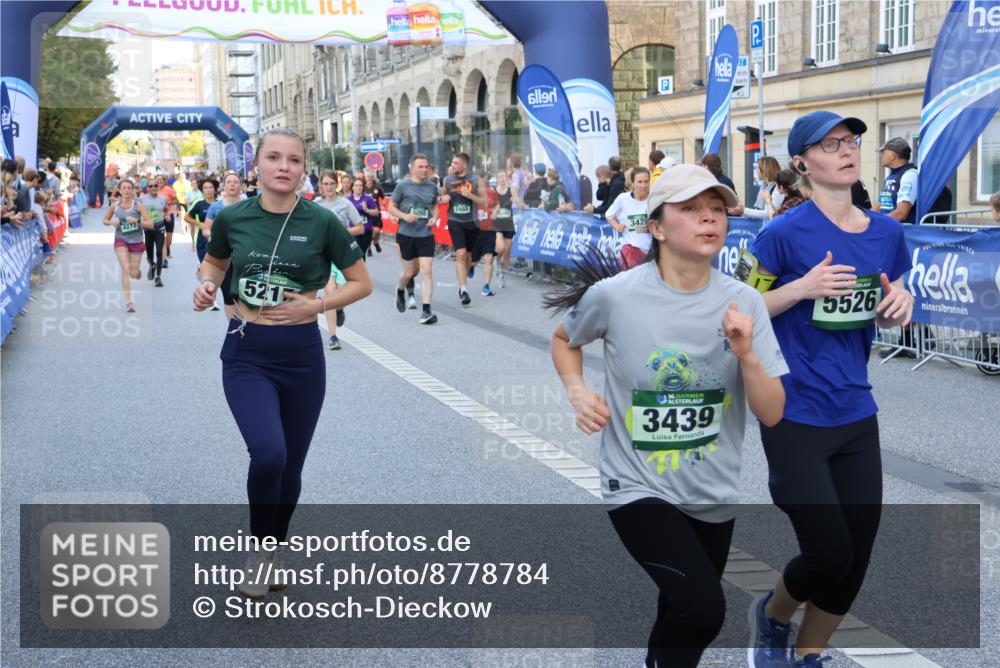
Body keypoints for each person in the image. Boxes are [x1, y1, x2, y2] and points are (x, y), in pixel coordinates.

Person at [547, 164, 787, 668]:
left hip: (712, 489)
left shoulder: (744, 302)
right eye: (691, 208)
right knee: (702, 609)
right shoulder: (616, 294)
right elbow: (565, 339)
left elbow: (772, 413)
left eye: (717, 209)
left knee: (681, 611)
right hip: (637, 484)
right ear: (655, 227)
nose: (709, 218)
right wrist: (577, 390)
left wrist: (747, 355)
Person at [744, 110, 914, 667]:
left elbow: (887, 304)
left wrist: (898, 307)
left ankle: (809, 654)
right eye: (830, 144)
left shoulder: (887, 233)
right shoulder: (783, 233)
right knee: (829, 553)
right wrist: (801, 288)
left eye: (851, 141)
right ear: (802, 163)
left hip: (856, 411)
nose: (846, 151)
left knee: (856, 557)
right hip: (794, 412)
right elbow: (739, 311)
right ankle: (773, 616)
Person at [193, 128, 372, 599]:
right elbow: (214, 264)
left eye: (293, 159)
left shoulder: (322, 221)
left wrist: (317, 305)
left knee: (290, 466)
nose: (283, 166)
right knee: (269, 454)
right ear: (257, 165)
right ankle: (258, 553)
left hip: (301, 357)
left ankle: (274, 550)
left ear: (303, 168)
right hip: (247, 352)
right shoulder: (232, 217)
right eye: (273, 157)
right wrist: (207, 285)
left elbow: (361, 282)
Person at [315, 170, 367, 348]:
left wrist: (342, 232)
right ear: (321, 186)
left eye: (331, 183)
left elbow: (360, 228)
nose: (329, 187)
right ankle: (333, 336)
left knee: (341, 292)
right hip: (324, 255)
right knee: (330, 292)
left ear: (336, 185)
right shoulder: (316, 205)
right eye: (325, 184)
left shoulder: (345, 204)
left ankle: (339, 308)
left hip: (342, 254)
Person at [388, 153, 440, 324]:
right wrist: (405, 216)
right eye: (420, 167)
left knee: (426, 270)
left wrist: (435, 217)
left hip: (426, 234)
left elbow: (435, 206)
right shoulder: (403, 186)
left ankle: (426, 311)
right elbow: (391, 207)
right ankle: (400, 289)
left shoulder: (432, 186)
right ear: (412, 168)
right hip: (406, 234)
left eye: (426, 167)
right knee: (409, 272)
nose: (424, 170)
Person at [442, 152, 488, 306]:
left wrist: (471, 196)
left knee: (468, 256)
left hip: (472, 222)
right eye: (452, 162)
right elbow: (441, 198)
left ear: (464, 165)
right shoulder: (448, 180)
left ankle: (463, 281)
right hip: (455, 221)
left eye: (456, 163)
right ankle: (463, 290)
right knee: (460, 254)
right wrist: (443, 199)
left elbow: (485, 202)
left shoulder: (475, 179)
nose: (452, 165)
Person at [104, 178, 152, 312]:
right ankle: (129, 302)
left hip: (136, 241)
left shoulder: (138, 206)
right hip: (121, 240)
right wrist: (112, 222)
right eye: (123, 188)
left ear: (132, 191)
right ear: (119, 191)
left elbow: (150, 224)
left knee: (133, 272)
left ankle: (137, 272)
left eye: (129, 188)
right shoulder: (115, 206)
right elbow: (105, 220)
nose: (126, 190)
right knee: (125, 269)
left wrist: (137, 222)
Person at [205, 171, 247, 319]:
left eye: (235, 182)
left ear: (241, 186)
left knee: (245, 295)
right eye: (229, 182)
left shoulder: (249, 205)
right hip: (225, 256)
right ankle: (233, 327)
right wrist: (216, 238)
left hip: (245, 255)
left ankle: (245, 325)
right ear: (224, 186)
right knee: (229, 295)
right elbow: (206, 229)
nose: (232, 185)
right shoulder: (216, 207)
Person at [185, 177, 221, 312]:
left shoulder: (221, 204)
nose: (208, 190)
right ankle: (212, 300)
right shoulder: (199, 204)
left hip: (219, 241)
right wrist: (200, 224)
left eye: (210, 187)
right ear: (202, 190)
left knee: (216, 270)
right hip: (203, 241)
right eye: (205, 188)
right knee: (208, 272)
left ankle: (212, 299)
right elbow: (187, 217)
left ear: (215, 189)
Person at [605, 166, 652, 270]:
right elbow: (609, 215)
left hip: (651, 251)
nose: (643, 185)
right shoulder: (623, 199)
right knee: (634, 276)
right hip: (630, 248)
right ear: (633, 183)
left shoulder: (655, 198)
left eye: (646, 181)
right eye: (640, 182)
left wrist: (652, 227)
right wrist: (617, 226)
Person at [873, 137, 917, 224]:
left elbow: (901, 213)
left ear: (893, 155)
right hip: (887, 227)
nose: (881, 156)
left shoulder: (910, 175)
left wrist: (878, 222)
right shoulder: (892, 176)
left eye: (883, 152)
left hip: (901, 230)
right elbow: (878, 207)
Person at [729, 156, 780, 222]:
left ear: (765, 170)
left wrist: (743, 210)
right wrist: (742, 210)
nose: (756, 171)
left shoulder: (777, 188)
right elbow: (758, 210)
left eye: (758, 168)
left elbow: (768, 214)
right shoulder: (764, 187)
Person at [140, 179, 168, 287]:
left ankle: (158, 277)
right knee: (149, 252)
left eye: (155, 185)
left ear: (158, 187)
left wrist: (167, 216)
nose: (153, 188)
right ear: (147, 188)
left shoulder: (163, 199)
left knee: (159, 252)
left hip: (160, 227)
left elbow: (165, 210)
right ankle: (152, 265)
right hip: (148, 228)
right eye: (150, 186)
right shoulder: (142, 199)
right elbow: (137, 212)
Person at [492, 170, 516, 288]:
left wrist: (516, 200)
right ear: (497, 178)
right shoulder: (493, 192)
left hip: (508, 224)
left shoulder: (511, 191)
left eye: (504, 176)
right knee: (500, 246)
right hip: (497, 224)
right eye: (500, 176)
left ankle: (500, 268)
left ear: (506, 178)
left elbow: (520, 200)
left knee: (506, 250)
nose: (502, 178)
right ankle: (496, 261)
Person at [347, 176, 378, 258]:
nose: (359, 187)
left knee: (362, 252)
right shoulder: (348, 200)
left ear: (363, 187)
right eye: (356, 185)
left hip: (366, 231)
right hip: (354, 230)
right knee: (357, 252)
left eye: (360, 185)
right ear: (352, 187)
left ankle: (361, 265)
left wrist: (367, 210)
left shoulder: (368, 198)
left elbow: (376, 212)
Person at [156, 175, 178, 265]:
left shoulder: (169, 189)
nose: (159, 181)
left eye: (161, 180)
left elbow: (176, 201)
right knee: (161, 237)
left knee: (169, 239)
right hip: (158, 216)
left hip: (169, 214)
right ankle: (164, 258)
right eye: (158, 180)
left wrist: (167, 202)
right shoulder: (153, 190)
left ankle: (167, 247)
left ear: (164, 181)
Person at [363, 170, 386, 254]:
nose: (369, 178)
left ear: (373, 177)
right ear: (365, 177)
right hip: (365, 212)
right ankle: (369, 248)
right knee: (367, 231)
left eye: (371, 176)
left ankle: (376, 242)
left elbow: (383, 197)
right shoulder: (362, 187)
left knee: (376, 231)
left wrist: (383, 205)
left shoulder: (377, 187)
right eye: (368, 176)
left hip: (376, 212)